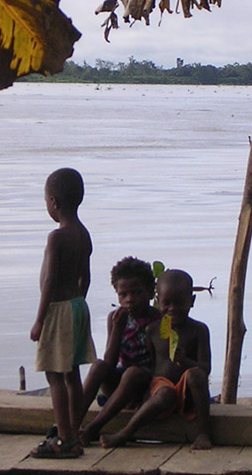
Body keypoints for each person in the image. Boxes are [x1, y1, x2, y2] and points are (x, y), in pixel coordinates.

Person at [101, 269, 213, 451]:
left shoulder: (199, 330)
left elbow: (205, 368)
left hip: (188, 391)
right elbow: (153, 368)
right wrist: (146, 398)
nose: (172, 309)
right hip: (162, 391)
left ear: (192, 301)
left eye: (179, 303)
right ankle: (125, 433)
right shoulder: (153, 330)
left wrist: (186, 362)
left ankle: (204, 432)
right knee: (165, 393)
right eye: (166, 303)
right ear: (158, 302)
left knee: (195, 375)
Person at [29, 168, 97, 458]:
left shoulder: (57, 238)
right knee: (72, 375)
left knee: (54, 376)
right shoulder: (84, 235)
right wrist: (77, 305)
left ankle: (65, 438)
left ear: (53, 202)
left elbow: (49, 283)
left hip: (58, 309)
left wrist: (39, 320)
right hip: (78, 306)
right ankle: (73, 430)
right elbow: (86, 278)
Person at [78, 257, 161, 445]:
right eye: (123, 295)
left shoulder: (158, 319)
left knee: (132, 373)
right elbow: (110, 360)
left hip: (146, 384)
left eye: (137, 293)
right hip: (120, 384)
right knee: (98, 365)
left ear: (150, 293)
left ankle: (94, 427)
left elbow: (160, 364)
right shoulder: (115, 318)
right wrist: (117, 328)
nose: (129, 299)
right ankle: (72, 422)